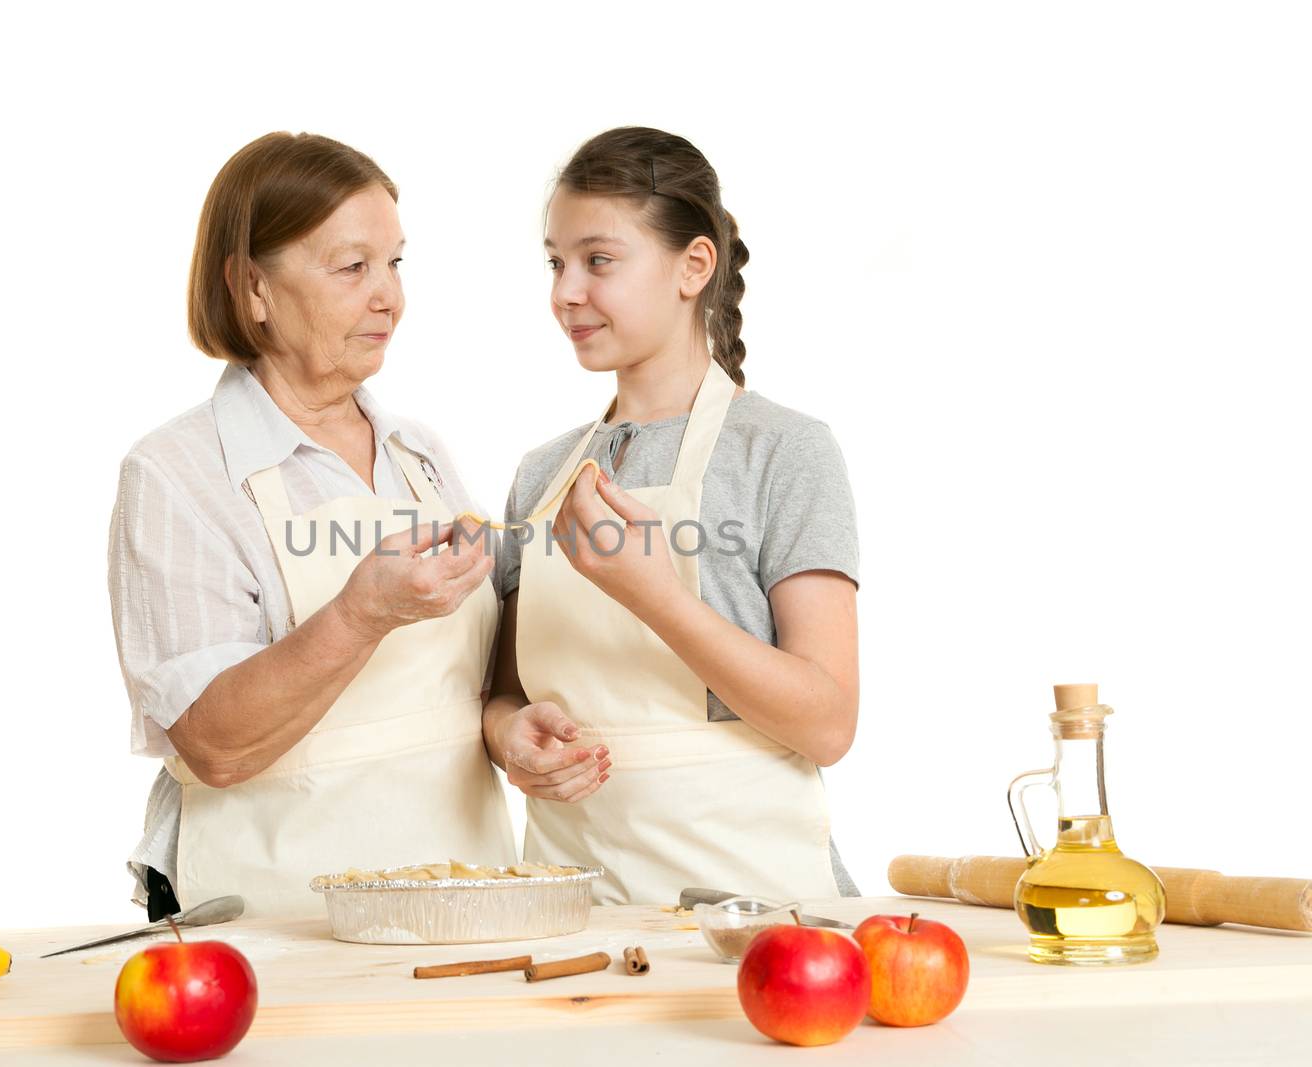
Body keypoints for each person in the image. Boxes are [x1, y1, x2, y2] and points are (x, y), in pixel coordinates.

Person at [109, 132, 513, 919]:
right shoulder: (178, 474)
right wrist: (363, 613)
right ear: (252, 286)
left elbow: (473, 688)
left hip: (463, 892)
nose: (389, 297)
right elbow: (215, 744)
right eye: (352, 266)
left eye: (396, 263)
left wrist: (519, 726)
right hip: (274, 914)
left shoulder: (419, 455)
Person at [483, 127, 862, 905]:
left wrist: (655, 596)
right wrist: (508, 738)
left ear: (694, 265)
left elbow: (828, 721)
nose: (565, 291)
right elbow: (503, 693)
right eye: (556, 262)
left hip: (751, 912)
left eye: (599, 260)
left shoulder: (784, 452)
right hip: (566, 909)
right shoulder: (543, 475)